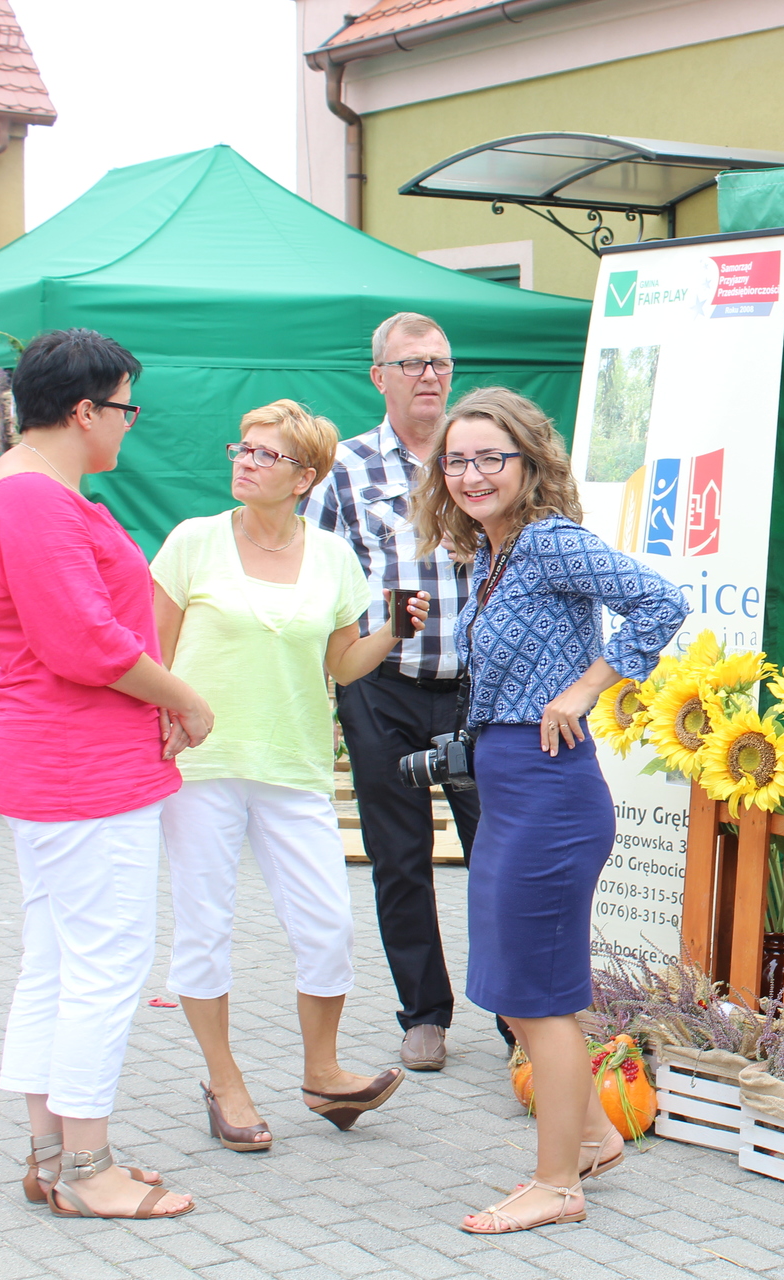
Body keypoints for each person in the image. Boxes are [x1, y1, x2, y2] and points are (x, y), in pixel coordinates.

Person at [409, 386, 685, 1234]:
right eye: (457, 459)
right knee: (519, 987)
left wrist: (587, 686)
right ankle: (595, 1138)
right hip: (515, 786)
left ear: (530, 463)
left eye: (492, 457)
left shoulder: (549, 542)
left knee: (534, 992)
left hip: (551, 792)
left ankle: (557, 1184)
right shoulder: (492, 557)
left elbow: (661, 600)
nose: (472, 474)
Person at [153, 400, 429, 1152]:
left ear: (305, 476)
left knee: (327, 927)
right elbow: (154, 654)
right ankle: (225, 1079)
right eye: (242, 447)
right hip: (203, 766)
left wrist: (393, 632)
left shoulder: (333, 557)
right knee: (205, 929)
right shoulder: (192, 543)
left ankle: (322, 1071)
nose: (245, 460)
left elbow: (340, 666)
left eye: (265, 454)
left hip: (297, 764)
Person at [0, 329, 207, 1220]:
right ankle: (86, 1166)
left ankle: (52, 1153)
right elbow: (85, 643)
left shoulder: (22, 487)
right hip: (81, 764)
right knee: (104, 963)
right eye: (124, 408)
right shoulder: (36, 499)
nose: (128, 426)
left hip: (59, 760)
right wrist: (185, 696)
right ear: (84, 411)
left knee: (61, 958)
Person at [304, 312, 484, 1071]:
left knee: (499, 853)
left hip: (479, 693)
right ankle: (425, 1015)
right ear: (379, 376)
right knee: (399, 858)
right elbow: (315, 574)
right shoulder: (344, 467)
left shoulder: (479, 457)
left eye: (440, 362)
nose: (430, 376)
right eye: (411, 364)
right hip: (382, 689)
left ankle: (521, 1015)